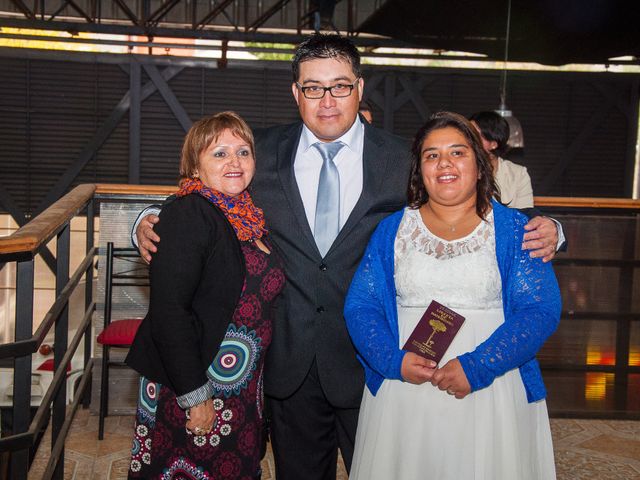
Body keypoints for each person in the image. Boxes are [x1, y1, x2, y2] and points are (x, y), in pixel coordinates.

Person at [132, 35, 561, 480]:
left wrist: (554, 230)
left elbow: (469, 203)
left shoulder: (402, 159)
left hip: (376, 362)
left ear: (359, 87)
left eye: (339, 86)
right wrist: (145, 221)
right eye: (313, 88)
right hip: (287, 361)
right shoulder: (258, 152)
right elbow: (200, 192)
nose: (327, 100)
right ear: (296, 93)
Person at [344, 111, 560, 480]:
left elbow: (539, 310)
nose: (444, 163)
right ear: (419, 170)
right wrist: (393, 362)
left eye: (457, 152)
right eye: (432, 154)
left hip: (491, 390)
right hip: (405, 389)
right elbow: (361, 305)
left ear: (480, 165)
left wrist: (477, 367)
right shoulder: (392, 230)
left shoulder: (515, 231)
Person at [125, 112, 285, 479]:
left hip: (241, 389)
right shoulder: (190, 211)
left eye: (243, 152)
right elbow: (169, 311)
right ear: (194, 166)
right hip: (195, 383)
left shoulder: (251, 218)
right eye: (219, 154)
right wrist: (195, 396)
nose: (234, 162)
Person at [470, 110, 533, 209]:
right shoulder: (457, 168)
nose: (469, 140)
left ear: (493, 144)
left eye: (475, 135)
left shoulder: (518, 173)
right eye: (467, 134)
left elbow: (525, 214)